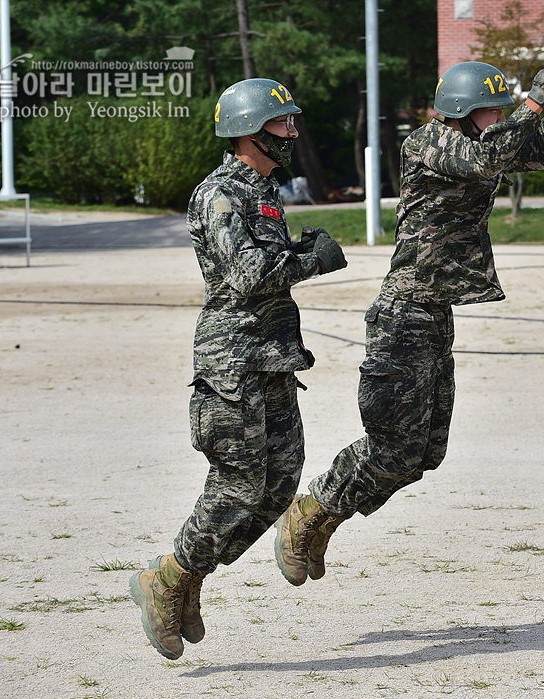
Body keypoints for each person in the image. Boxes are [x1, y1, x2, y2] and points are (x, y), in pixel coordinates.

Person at [273, 62, 544, 586]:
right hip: (404, 313)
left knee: (426, 453)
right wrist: (536, 104)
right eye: (496, 108)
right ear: (465, 112)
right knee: (393, 448)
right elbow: (492, 153)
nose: (504, 115)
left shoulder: (476, 143)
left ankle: (321, 514)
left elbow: (532, 152)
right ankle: (312, 512)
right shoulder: (430, 143)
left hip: (433, 313)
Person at [129, 77, 348, 659]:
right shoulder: (221, 193)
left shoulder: (263, 189)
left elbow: (262, 263)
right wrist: (309, 260)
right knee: (240, 483)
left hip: (271, 357)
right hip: (233, 362)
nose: (293, 132)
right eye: (282, 124)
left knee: (280, 484)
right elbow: (248, 275)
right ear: (251, 131)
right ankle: (169, 579)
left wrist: (296, 251)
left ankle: (188, 578)